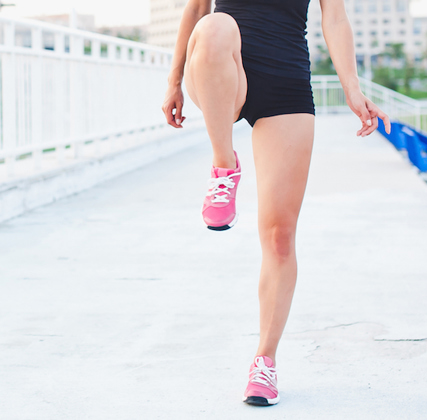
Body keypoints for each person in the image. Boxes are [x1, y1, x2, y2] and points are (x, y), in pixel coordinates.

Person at [160, 0, 390, 406]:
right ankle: (223, 164)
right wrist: (174, 81)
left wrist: (352, 88)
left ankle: (264, 360)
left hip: (285, 77)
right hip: (222, 69)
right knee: (216, 26)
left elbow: (334, 17)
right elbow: (196, 9)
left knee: (280, 236)